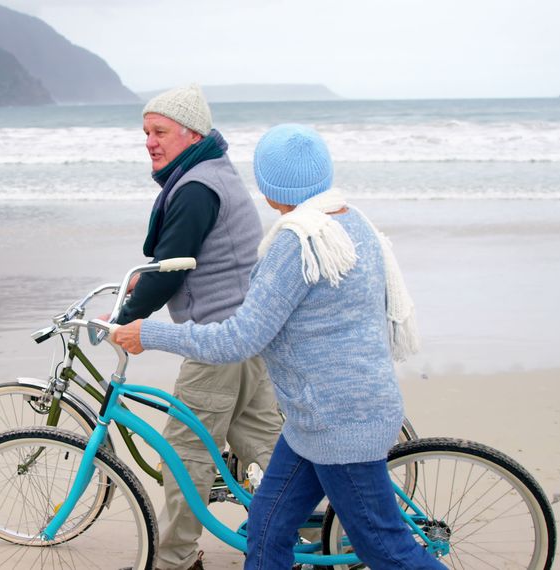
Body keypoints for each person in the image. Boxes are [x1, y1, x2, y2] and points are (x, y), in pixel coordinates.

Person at [112, 124, 443, 569]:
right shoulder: (349, 221)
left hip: (338, 424)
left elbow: (240, 338)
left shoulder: (297, 242)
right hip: (318, 419)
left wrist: (147, 334)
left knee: (386, 548)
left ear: (270, 186)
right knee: (267, 530)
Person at [116, 83, 283, 570]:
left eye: (161, 131)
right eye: (146, 132)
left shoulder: (194, 188)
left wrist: (125, 323)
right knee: (262, 442)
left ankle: (175, 559)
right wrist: (136, 291)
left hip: (218, 340)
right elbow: (192, 258)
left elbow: (173, 268)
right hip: (248, 330)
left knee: (184, 452)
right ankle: (307, 526)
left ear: (191, 134)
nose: (150, 140)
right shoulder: (213, 172)